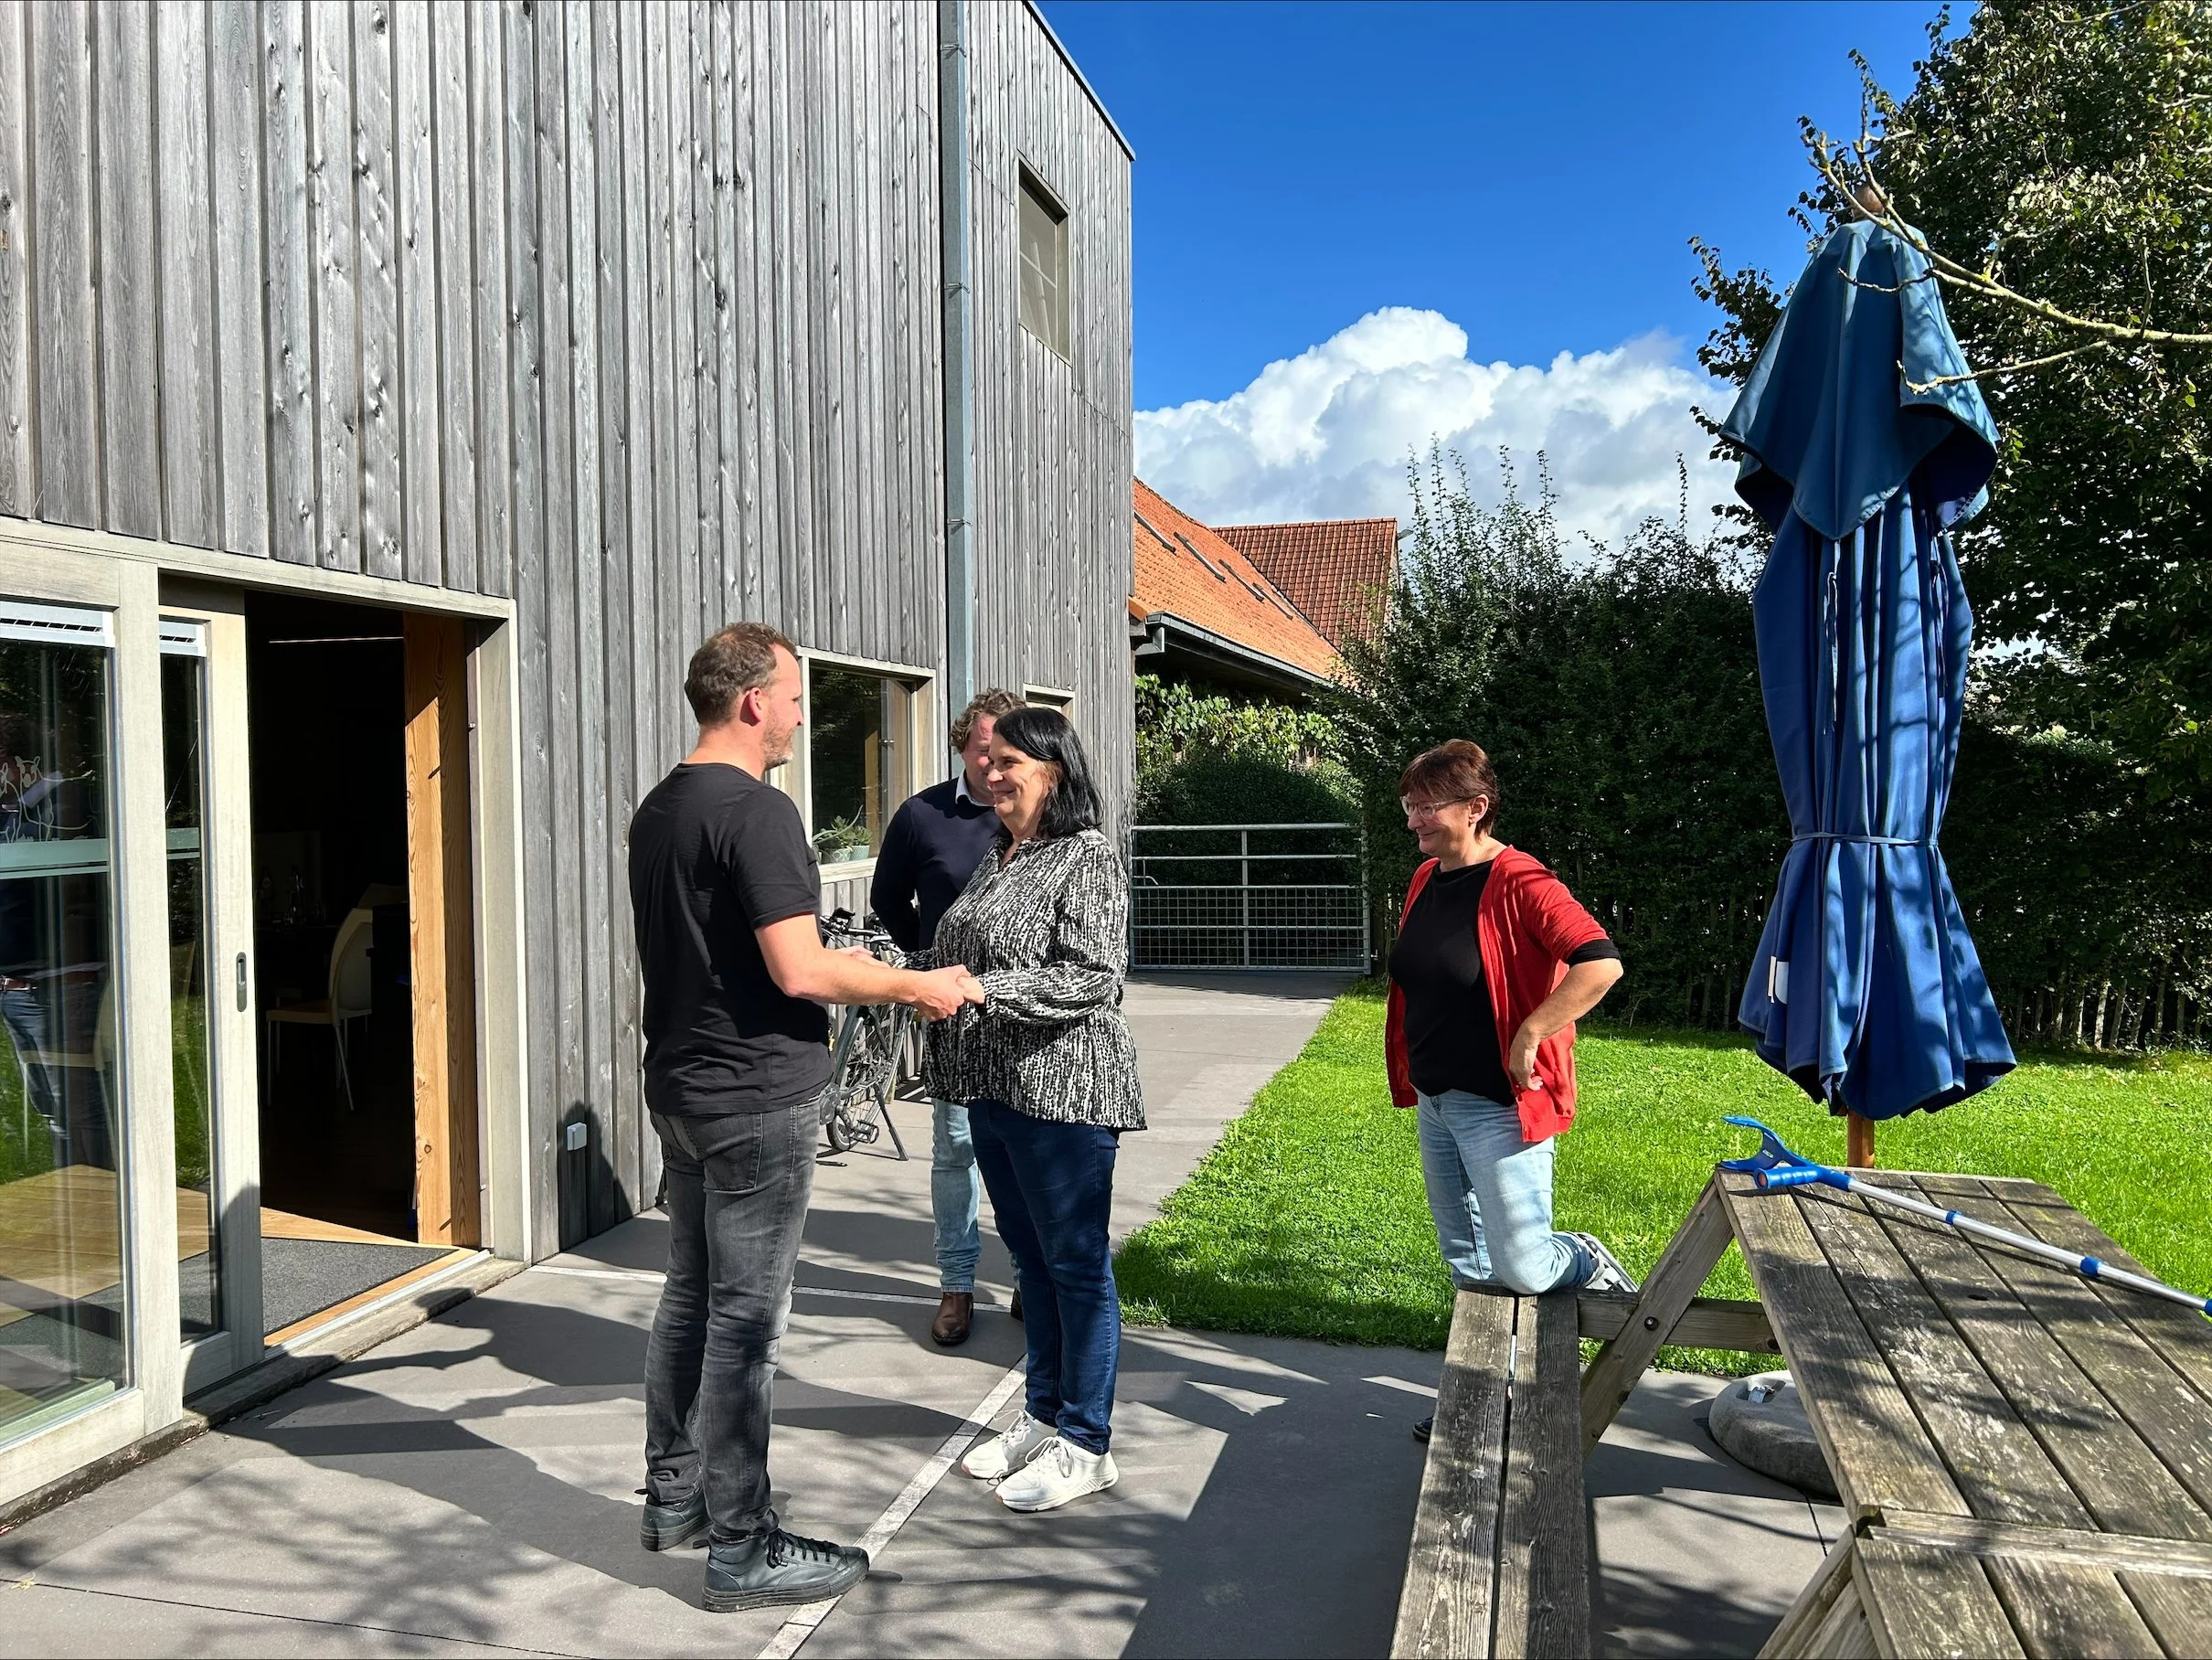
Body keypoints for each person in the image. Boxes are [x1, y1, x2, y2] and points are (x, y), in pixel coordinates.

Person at [628, 622, 984, 1611]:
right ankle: (741, 1546)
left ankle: (673, 1499)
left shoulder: (660, 807)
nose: (796, 714)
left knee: (688, 1298)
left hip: (682, 1091)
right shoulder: (756, 810)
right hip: (755, 1098)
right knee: (747, 1324)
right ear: (750, 701)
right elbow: (800, 968)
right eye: (790, 696)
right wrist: (920, 984)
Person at [923, 707, 1143, 1513]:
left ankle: (1087, 1443)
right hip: (994, 1089)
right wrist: (910, 977)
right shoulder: (1001, 853)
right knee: (1031, 1263)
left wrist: (981, 990)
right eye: (990, 760)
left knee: (1077, 1267)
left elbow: (1093, 975)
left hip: (1063, 1090)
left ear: (1055, 769)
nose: (993, 771)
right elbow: (964, 956)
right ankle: (1044, 1412)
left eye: (1012, 760)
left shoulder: (1086, 858)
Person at [1383, 740, 1633, 1442]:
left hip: (1499, 1103)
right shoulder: (1427, 877)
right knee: (1470, 1262)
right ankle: (1480, 1399)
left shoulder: (1523, 882)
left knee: (1522, 1265)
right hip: (1438, 1100)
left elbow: (1600, 963)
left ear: (1477, 807)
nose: (1413, 822)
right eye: (1409, 806)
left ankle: (1584, 1256)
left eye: (1425, 807)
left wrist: (1531, 1032)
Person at [871, 686, 1026, 1347]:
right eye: (981, 749)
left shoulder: (1037, 816)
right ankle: (957, 1287)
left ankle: (1029, 1276)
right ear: (962, 744)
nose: (992, 767)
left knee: (1025, 1149)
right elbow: (887, 898)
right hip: (954, 1011)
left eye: (1004, 753)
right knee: (956, 1148)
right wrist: (927, 962)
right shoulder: (920, 816)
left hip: (1025, 1009)